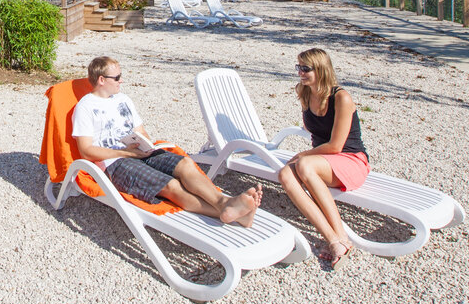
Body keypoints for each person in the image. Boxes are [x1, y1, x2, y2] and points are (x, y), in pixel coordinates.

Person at [72, 56, 262, 226]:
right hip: (116, 161)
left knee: (186, 164)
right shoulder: (85, 107)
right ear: (101, 80)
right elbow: (86, 150)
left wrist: (145, 145)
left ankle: (225, 204)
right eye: (117, 77)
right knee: (171, 185)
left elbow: (140, 130)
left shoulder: (123, 99)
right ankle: (229, 212)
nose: (121, 80)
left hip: (140, 151)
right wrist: (127, 152)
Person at [279, 48, 370, 268]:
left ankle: (340, 238)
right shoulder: (305, 92)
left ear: (320, 69)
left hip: (350, 160)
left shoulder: (341, 97)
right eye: (298, 67)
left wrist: (302, 155)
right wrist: (304, 158)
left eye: (305, 68)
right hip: (321, 161)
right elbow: (315, 133)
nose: (300, 72)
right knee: (284, 174)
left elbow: (336, 145)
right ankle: (333, 238)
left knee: (303, 164)